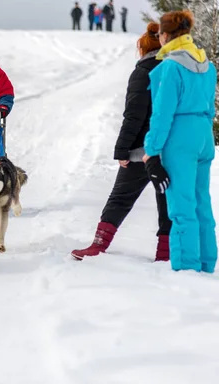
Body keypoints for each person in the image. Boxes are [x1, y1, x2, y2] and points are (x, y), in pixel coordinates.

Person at [72, 22, 171, 261]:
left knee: (120, 197)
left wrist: (122, 150)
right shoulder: (175, 68)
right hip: (170, 147)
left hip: (142, 149)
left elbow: (134, 114)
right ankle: (165, 253)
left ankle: (98, 244)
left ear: (144, 46)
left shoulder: (144, 70)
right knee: (168, 200)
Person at [142, 10, 217, 273]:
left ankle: (187, 270)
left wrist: (151, 151)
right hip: (203, 136)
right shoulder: (207, 65)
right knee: (201, 203)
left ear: (164, 35)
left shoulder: (170, 67)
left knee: (181, 206)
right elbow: (211, 108)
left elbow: (162, 114)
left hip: (180, 138)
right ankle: (207, 265)